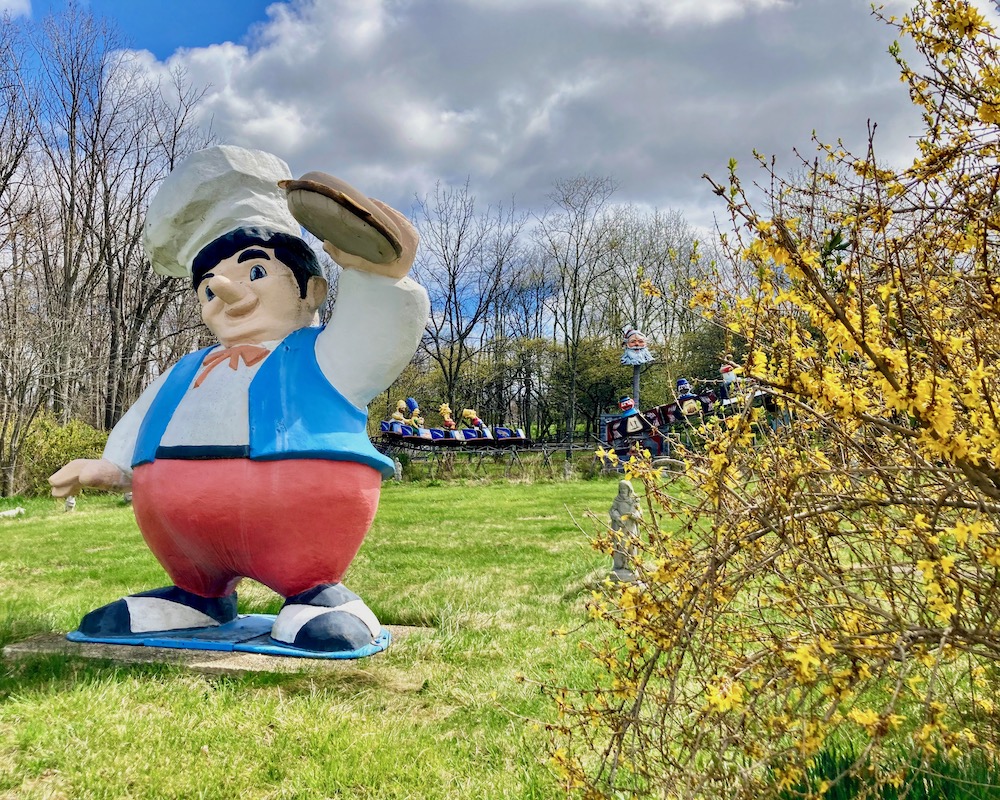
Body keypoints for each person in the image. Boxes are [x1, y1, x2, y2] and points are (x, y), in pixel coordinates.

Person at [48, 145, 430, 653]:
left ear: (311, 291)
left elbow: (376, 333)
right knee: (189, 579)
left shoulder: (320, 356)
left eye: (254, 272)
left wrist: (375, 276)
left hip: (302, 518)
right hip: (185, 540)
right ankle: (195, 598)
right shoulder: (185, 369)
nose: (225, 295)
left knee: (315, 602)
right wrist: (111, 464)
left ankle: (316, 597)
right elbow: (141, 418)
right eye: (208, 289)